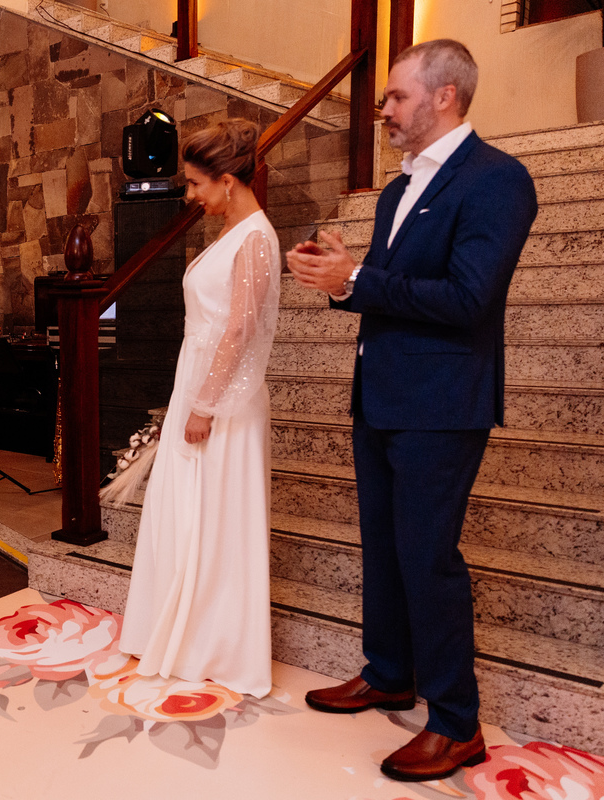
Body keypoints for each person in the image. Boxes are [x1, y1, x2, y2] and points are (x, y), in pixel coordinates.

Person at [285, 40, 537, 783]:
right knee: (385, 547)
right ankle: (389, 672)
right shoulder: (397, 192)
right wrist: (342, 276)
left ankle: (457, 724)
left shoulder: (498, 180)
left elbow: (467, 301)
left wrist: (358, 275)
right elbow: (392, 290)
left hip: (442, 402)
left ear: (445, 96)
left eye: (395, 97)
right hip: (383, 391)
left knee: (428, 559)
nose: (383, 108)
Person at [117, 119, 280, 698]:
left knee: (216, 519)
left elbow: (240, 331)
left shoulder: (256, 237)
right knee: (187, 513)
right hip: (202, 386)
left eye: (193, 184)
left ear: (229, 180)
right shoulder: (233, 232)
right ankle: (183, 630)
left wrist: (205, 406)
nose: (190, 196)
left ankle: (216, 641)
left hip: (224, 403)